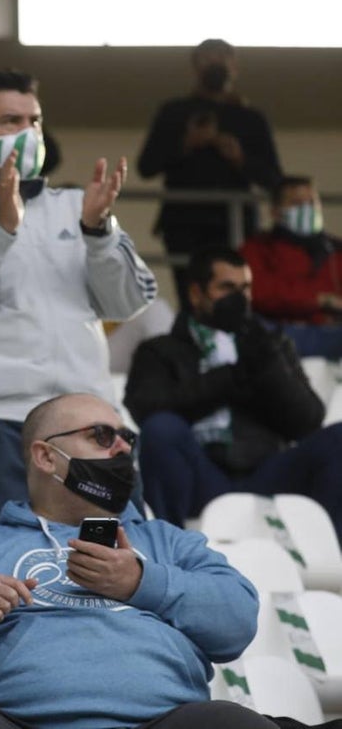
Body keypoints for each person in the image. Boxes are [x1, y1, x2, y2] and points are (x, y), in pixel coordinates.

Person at [0, 392, 265, 729]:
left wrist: (143, 582)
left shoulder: (170, 541)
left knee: (233, 722)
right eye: (102, 436)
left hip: (159, 720)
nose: (122, 448)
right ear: (46, 456)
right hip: (11, 721)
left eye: (127, 438)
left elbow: (238, 622)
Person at [0, 69, 158, 530]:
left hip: (88, 421)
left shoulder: (77, 207)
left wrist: (99, 233)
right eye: (9, 121)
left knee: (111, 559)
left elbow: (130, 301)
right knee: (5, 564)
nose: (27, 133)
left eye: (33, 121)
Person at [124, 247, 342, 538]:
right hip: (200, 474)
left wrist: (268, 365)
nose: (239, 298)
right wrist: (229, 378)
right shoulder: (159, 350)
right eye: (227, 288)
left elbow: (309, 421)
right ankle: (165, 546)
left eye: (245, 288)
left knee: (337, 438)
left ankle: (329, 549)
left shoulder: (271, 345)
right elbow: (146, 407)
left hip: (267, 472)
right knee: (162, 428)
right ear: (196, 294)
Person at [137, 39, 282, 306]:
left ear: (235, 67)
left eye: (223, 57)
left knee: (233, 297)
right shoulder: (174, 112)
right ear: (195, 66)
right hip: (184, 223)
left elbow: (274, 179)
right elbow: (146, 167)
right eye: (208, 57)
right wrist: (186, 144)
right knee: (191, 298)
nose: (216, 62)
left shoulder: (251, 119)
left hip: (235, 222)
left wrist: (240, 159)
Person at [240, 175, 342, 359]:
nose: (306, 209)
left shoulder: (336, 250)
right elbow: (258, 292)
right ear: (275, 212)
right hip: (278, 333)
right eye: (296, 203)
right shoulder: (256, 249)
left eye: (311, 202)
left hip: (331, 334)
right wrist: (320, 300)